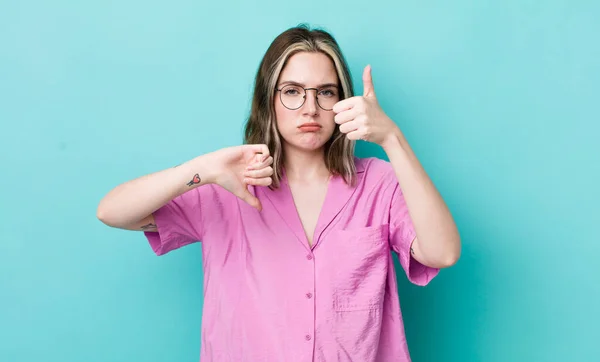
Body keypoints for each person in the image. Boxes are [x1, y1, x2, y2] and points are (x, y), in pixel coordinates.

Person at [97, 24, 461, 362]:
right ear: (268, 99)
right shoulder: (227, 188)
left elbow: (442, 252)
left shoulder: (379, 185)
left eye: (325, 92)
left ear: (343, 101)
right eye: (292, 91)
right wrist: (204, 169)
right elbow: (113, 211)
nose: (310, 108)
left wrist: (392, 138)